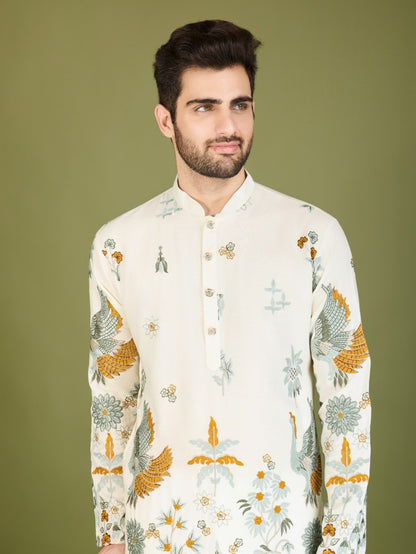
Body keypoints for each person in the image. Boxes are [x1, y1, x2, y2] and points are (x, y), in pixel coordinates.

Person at [88, 20, 371, 554]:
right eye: (204, 107)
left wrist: (343, 545)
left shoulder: (312, 236)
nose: (228, 125)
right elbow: (112, 400)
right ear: (166, 120)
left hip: (285, 536)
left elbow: (347, 401)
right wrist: (111, 536)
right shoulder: (118, 246)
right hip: (159, 534)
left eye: (240, 105)